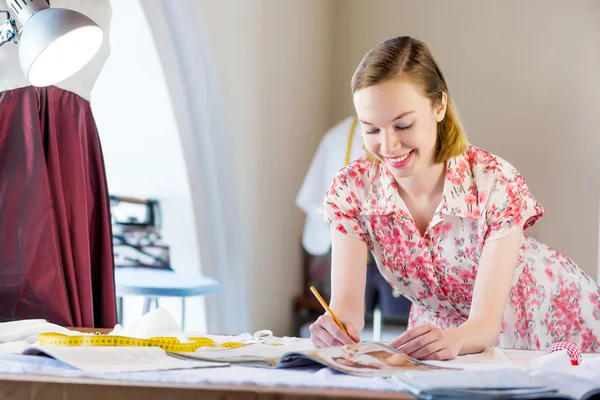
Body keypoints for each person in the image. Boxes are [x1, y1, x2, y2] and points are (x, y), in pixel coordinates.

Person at [309, 36, 600, 359]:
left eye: (403, 125)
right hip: (445, 339)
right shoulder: (352, 191)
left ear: (439, 106)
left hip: (554, 318)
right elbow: (346, 310)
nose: (388, 146)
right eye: (372, 130)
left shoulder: (494, 180)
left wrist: (455, 340)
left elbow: (485, 326)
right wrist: (334, 328)